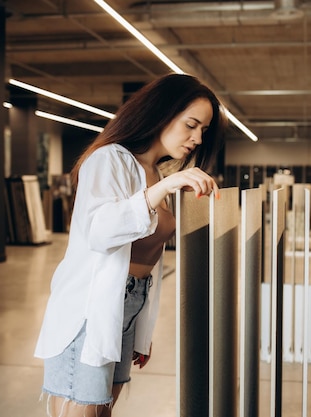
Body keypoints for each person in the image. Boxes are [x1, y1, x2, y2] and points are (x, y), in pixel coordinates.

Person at [34, 73, 226, 417]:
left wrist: (140, 329)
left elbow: (147, 260)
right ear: (162, 113)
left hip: (127, 307)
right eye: (191, 125)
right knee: (85, 411)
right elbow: (100, 231)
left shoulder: (153, 171)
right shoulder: (109, 159)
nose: (197, 138)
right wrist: (161, 192)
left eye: (204, 131)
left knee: (103, 411)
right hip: (90, 310)